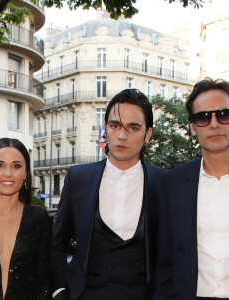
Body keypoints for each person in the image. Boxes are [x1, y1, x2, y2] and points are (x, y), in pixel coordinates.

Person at [153, 77, 229, 300]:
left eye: (223, 115)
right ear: (193, 127)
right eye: (203, 117)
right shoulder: (171, 184)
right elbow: (163, 261)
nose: (214, 124)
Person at [51, 89, 165, 300]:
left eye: (133, 127)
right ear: (105, 129)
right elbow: (57, 244)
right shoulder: (78, 178)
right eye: (115, 126)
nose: (122, 136)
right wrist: (59, 292)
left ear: (147, 134)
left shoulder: (165, 183)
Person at [0, 138, 52, 300]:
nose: (8, 173)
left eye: (16, 166)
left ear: (25, 173)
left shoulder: (38, 219)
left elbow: (43, 282)